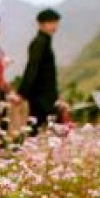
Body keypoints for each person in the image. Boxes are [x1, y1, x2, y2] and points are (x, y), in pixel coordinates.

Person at [19, 8, 64, 137]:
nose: (54, 26)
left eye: (55, 23)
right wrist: (22, 92)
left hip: (48, 95)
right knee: (40, 129)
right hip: (40, 96)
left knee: (38, 129)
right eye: (50, 23)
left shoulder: (46, 42)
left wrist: (56, 93)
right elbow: (32, 67)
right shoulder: (39, 42)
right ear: (41, 24)